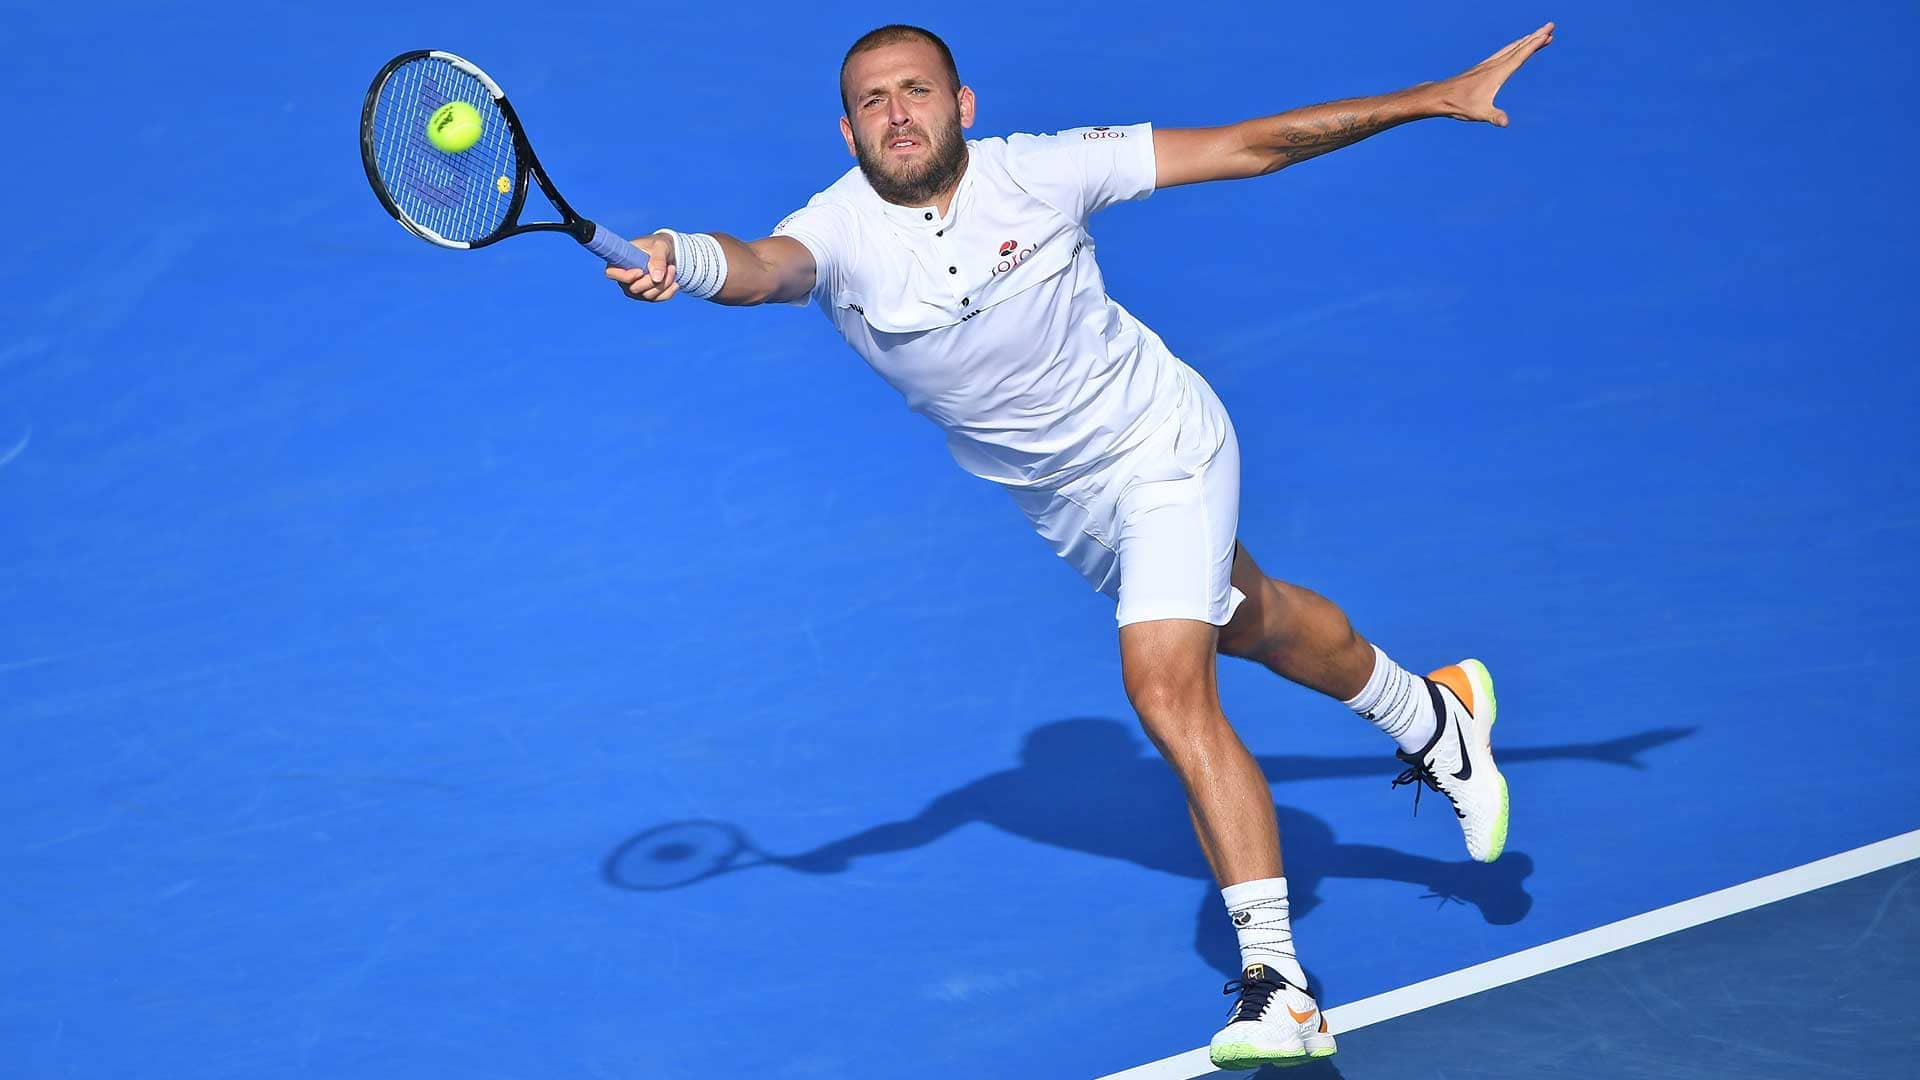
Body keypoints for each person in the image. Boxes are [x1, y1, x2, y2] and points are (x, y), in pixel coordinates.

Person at [606, 21, 1553, 1070]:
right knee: (1261, 620)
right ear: (847, 130)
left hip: (1165, 447)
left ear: (963, 105)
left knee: (1164, 683)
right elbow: (764, 268)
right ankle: (1434, 712)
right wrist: (682, 260)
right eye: (873, 102)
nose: (897, 115)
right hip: (1065, 509)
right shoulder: (834, 233)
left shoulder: (1045, 171)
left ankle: (1280, 985)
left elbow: (1250, 144)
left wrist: (1430, 95)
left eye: (916, 90)